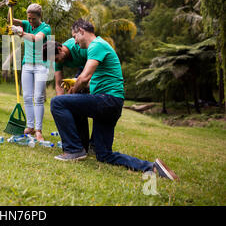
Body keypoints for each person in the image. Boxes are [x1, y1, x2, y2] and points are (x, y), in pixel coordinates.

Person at [50, 18, 179, 180]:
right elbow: (91, 82)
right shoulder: (96, 48)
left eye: (75, 36)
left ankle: (74, 149)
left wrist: (72, 91)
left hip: (107, 101)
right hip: (110, 104)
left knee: (58, 102)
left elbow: (84, 78)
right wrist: (77, 89)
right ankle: (152, 167)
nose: (74, 41)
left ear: (82, 32)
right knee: (103, 154)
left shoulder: (96, 45)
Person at [8, 4, 51, 141]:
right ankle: (30, 127)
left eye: (33, 19)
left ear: (40, 17)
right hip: (27, 64)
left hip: (41, 65)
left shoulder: (46, 28)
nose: (30, 21)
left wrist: (19, 32)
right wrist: (11, 6)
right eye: (29, 18)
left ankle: (38, 130)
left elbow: (37, 39)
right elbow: (9, 19)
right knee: (27, 96)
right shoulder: (26, 24)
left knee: (38, 97)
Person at [43, 39, 91, 152]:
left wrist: (80, 86)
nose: (56, 62)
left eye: (56, 59)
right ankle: (83, 143)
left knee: (81, 97)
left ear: (60, 49)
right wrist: (62, 103)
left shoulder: (79, 48)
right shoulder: (57, 60)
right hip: (82, 68)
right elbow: (59, 84)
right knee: (74, 103)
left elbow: (94, 67)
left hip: (95, 67)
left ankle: (91, 143)